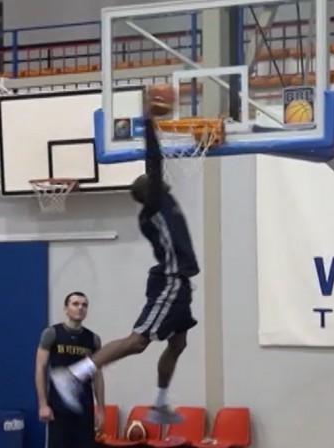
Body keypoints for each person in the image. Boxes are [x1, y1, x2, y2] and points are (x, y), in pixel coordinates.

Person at [50, 104, 200, 425]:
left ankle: (160, 404)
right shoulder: (154, 208)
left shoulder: (161, 205)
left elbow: (156, 171)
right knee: (138, 342)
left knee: (178, 342)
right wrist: (149, 124)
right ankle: (74, 374)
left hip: (180, 284)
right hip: (171, 281)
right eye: (153, 180)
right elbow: (155, 161)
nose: (159, 180)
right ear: (150, 190)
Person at [35, 292, 105, 448]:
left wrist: (100, 409)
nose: (80, 308)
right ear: (66, 309)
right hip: (58, 407)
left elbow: (98, 375)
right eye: (75, 304)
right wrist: (43, 404)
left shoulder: (93, 339)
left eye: (84, 305)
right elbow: (40, 368)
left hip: (84, 407)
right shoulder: (52, 333)